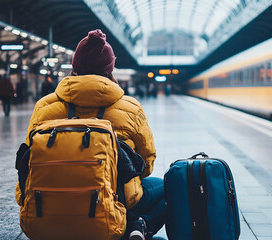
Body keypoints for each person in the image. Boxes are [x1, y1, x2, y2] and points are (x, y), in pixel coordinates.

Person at [15, 29, 164, 240]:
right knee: (169, 186)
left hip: (45, 211)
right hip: (110, 207)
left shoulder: (44, 106)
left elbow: (27, 163)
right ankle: (138, 224)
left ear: (75, 66)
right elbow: (147, 164)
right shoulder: (131, 108)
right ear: (109, 69)